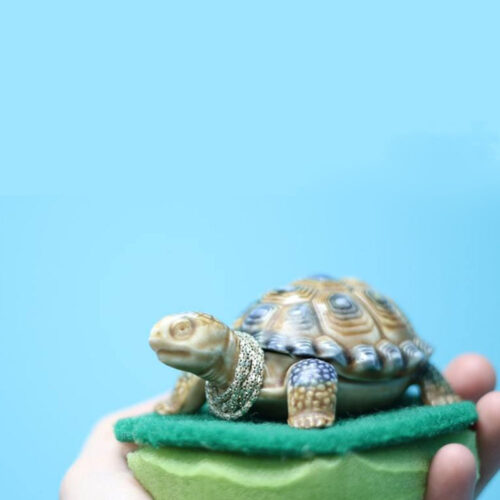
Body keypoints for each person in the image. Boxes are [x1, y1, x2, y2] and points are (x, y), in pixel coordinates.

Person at [60, 354, 499, 500]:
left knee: (309, 370)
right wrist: (179, 402)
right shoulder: (226, 369)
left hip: (339, 360)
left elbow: (315, 366)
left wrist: (310, 416)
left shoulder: (303, 364)